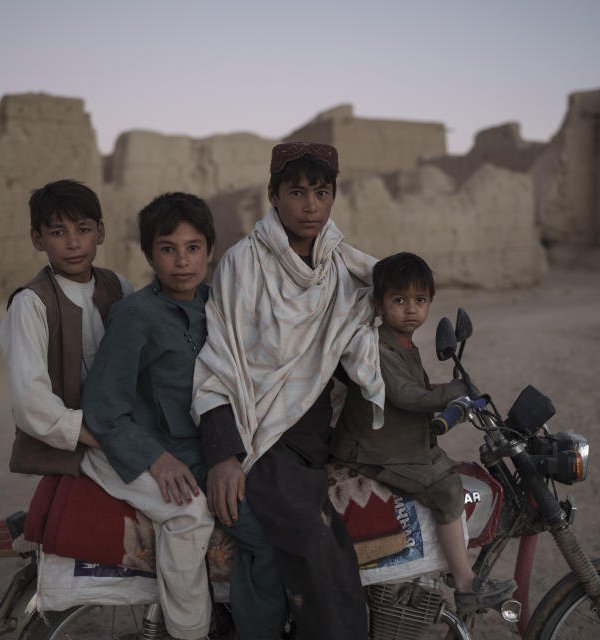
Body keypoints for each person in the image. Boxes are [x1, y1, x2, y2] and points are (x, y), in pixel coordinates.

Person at [193, 142, 384, 640]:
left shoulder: (343, 267)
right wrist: (223, 457)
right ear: (273, 195)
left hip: (314, 439)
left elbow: (363, 340)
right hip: (263, 437)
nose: (311, 206)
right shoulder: (243, 265)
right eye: (297, 192)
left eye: (321, 193)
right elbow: (220, 362)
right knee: (315, 542)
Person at [330, 252, 517, 614]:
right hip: (372, 450)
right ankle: (464, 584)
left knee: (450, 468)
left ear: (430, 301)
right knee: (447, 489)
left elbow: (418, 390)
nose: (410, 309)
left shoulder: (404, 342)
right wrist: (452, 391)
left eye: (419, 300)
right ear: (380, 303)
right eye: (399, 300)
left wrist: (452, 393)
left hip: (397, 442)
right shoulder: (376, 346)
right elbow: (405, 396)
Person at [81, 192, 216, 640]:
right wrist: (156, 459)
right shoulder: (134, 316)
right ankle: (188, 632)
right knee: (189, 513)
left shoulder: (219, 308)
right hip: (139, 449)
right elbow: (103, 409)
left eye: (193, 247)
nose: (182, 261)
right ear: (149, 254)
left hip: (199, 449)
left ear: (209, 251)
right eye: (167, 248)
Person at [0, 178, 132, 479]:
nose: (73, 243)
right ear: (37, 239)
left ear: (100, 232)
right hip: (75, 445)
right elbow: (30, 401)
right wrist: (100, 440)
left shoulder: (119, 287)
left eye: (83, 230)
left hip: (120, 430)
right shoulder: (31, 303)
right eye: (58, 233)